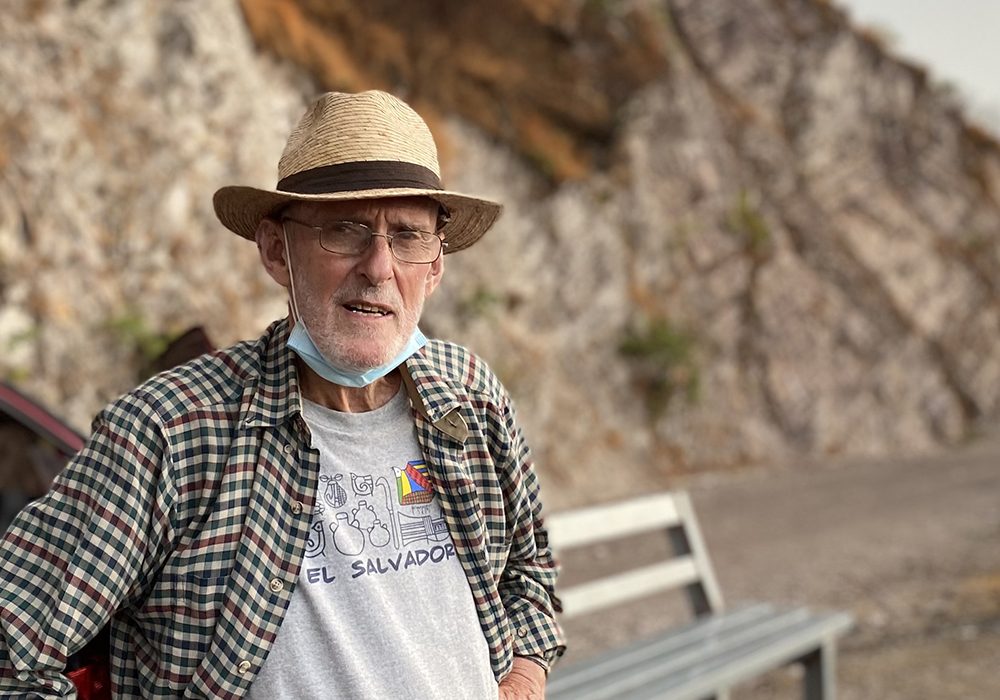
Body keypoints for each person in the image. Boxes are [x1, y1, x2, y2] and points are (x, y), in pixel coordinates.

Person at [0, 90, 564, 699]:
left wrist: (523, 680)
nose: (379, 267)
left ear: (435, 267)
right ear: (276, 249)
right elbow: (12, 648)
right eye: (346, 231)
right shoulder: (172, 432)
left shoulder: (471, 398)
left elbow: (529, 573)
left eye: (407, 236)